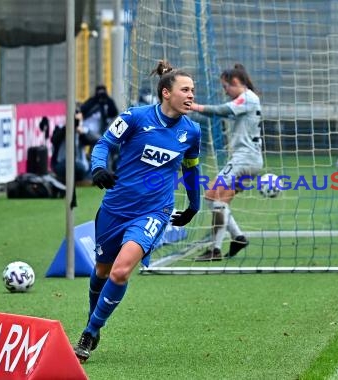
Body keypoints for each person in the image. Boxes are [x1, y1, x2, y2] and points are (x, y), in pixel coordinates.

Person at [73, 60, 202, 363]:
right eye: (185, 90)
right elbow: (104, 143)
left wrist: (194, 205)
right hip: (115, 208)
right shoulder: (135, 117)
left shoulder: (192, 131)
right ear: (166, 92)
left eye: (193, 91)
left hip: (153, 212)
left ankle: (90, 333)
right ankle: (95, 318)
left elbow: (191, 171)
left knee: (120, 271)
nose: (191, 95)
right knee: (102, 271)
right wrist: (98, 168)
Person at [187, 63, 263, 261]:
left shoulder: (247, 98)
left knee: (212, 196)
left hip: (244, 159)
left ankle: (216, 249)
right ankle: (237, 237)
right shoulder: (248, 99)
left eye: (225, 86)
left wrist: (193, 106)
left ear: (236, 82)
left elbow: (220, 110)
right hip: (248, 159)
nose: (225, 91)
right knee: (219, 200)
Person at [50, 106, 96, 183]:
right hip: (63, 163)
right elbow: (54, 140)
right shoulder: (60, 128)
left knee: (96, 165)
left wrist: (81, 133)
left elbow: (94, 140)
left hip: (81, 163)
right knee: (72, 165)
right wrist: (67, 128)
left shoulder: (83, 129)